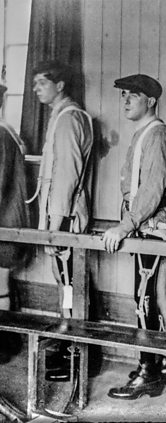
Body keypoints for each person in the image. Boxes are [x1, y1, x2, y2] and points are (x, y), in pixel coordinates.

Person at [104, 74, 166, 400]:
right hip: (146, 226)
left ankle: (147, 371)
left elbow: (152, 190)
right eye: (124, 94)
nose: (125, 100)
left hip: (150, 227)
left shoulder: (159, 135)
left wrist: (126, 225)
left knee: (145, 297)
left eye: (133, 95)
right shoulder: (146, 134)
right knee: (158, 292)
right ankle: (164, 363)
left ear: (151, 100)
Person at [29, 61, 93, 381]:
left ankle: (74, 352)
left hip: (65, 218)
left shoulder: (69, 119)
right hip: (60, 215)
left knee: (68, 283)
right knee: (64, 283)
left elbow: (66, 176)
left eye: (42, 82)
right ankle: (68, 342)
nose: (36, 88)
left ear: (61, 85)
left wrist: (55, 227)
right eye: (35, 83)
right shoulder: (62, 116)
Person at [0, 83, 30, 364]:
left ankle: (5, 345)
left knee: (0, 285)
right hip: (8, 221)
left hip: (5, 224)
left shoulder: (1, 134)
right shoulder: (6, 131)